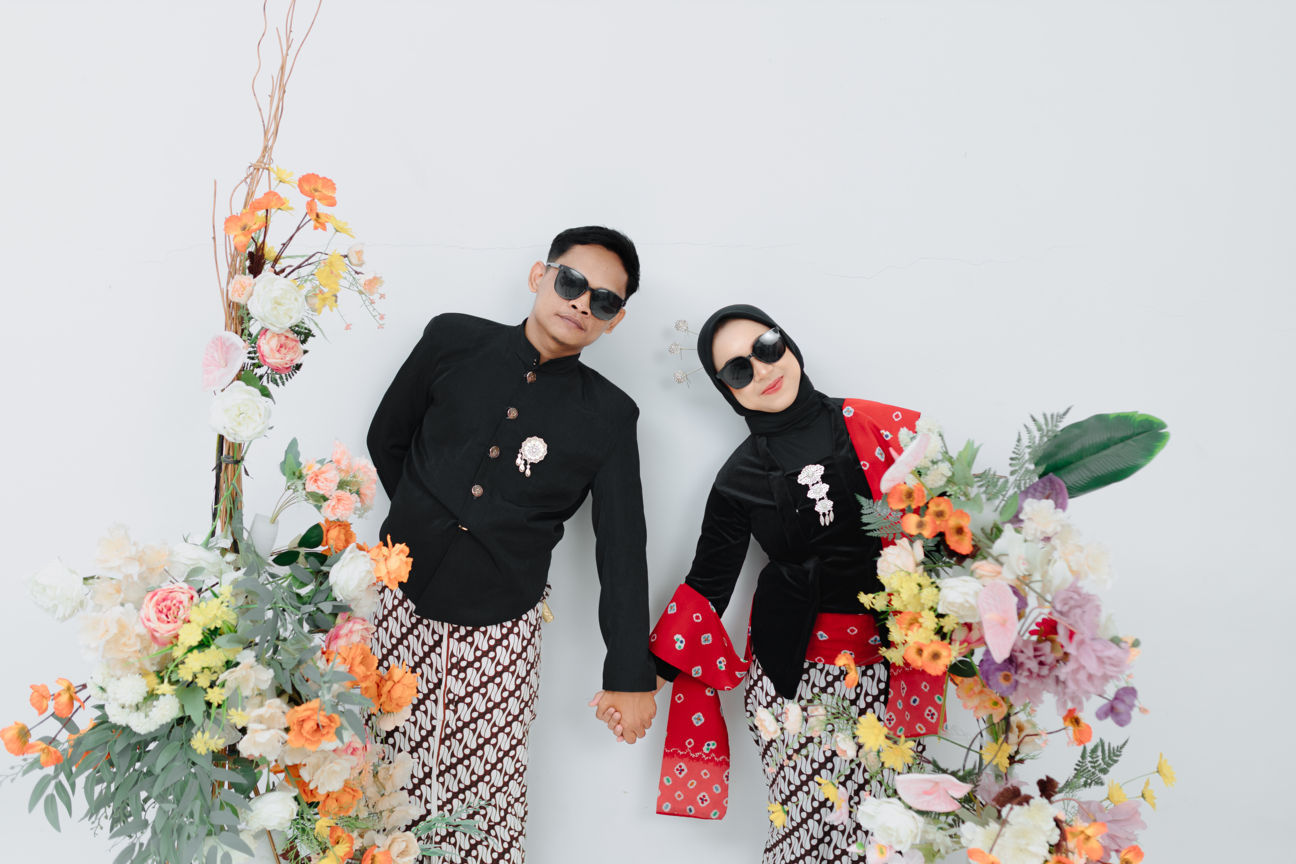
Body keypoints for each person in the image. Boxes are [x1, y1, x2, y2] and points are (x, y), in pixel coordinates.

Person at [366, 226, 658, 863]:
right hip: (392, 597)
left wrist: (629, 674)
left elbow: (621, 546)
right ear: (539, 276)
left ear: (616, 319)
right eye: (571, 281)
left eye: (604, 300)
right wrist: (424, 521)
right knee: (370, 772)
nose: (581, 303)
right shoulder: (452, 339)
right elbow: (387, 437)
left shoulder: (610, 415)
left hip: (502, 624)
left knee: (484, 794)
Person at [642, 304, 926, 863]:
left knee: (887, 841)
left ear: (788, 344)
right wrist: (646, 677)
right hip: (796, 684)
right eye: (738, 370)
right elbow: (708, 584)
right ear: (727, 391)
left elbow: (943, 528)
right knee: (806, 839)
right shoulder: (739, 477)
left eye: (767, 347)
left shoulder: (879, 426)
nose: (762, 370)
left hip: (898, 667)